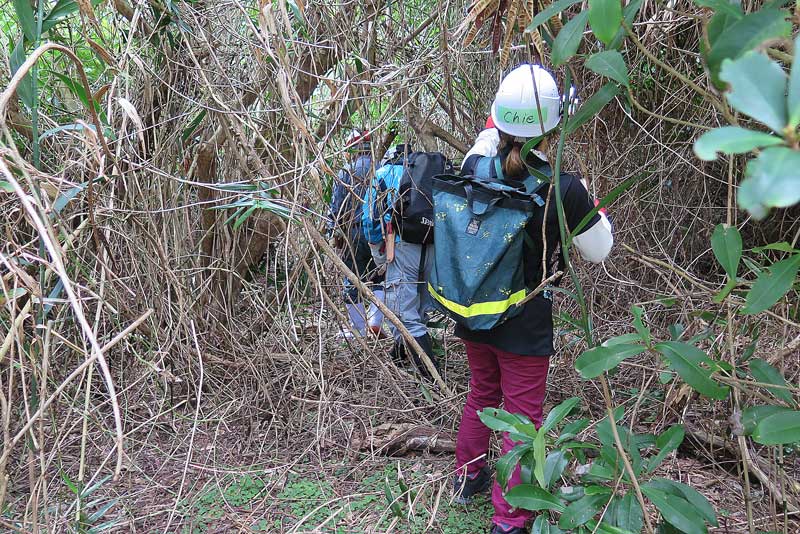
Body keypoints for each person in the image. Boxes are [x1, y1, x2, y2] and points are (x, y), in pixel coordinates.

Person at [451, 64, 614, 534]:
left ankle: (469, 476)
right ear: (554, 127)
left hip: (475, 309)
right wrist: (590, 201)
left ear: (498, 120)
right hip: (524, 318)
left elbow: (489, 144)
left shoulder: (474, 165)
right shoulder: (564, 186)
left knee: (483, 392)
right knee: (522, 418)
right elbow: (599, 250)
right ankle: (511, 520)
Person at [361, 143, 440, 376]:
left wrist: (378, 251)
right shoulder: (429, 176)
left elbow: (370, 218)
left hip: (402, 246)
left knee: (404, 313)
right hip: (433, 244)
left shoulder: (384, 174)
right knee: (419, 310)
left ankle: (433, 378)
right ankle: (400, 358)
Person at [328, 130, 385, 337]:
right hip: (378, 235)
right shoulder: (381, 169)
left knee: (353, 280)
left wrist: (334, 234)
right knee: (380, 278)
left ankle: (359, 330)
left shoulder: (346, 172)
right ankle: (375, 322)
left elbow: (336, 207)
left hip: (352, 234)